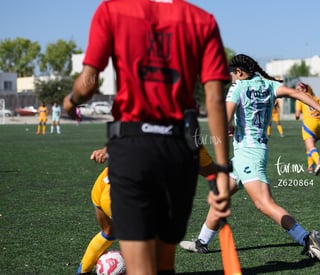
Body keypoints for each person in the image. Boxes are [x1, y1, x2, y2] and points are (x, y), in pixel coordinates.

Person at [63, 1, 231, 274]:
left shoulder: (111, 10)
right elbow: (214, 98)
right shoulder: (202, 20)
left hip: (133, 148)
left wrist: (71, 101)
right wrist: (221, 170)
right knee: (165, 265)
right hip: (179, 149)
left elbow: (89, 82)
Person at [180, 54, 320, 264]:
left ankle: (306, 238)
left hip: (247, 154)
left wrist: (227, 126)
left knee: (264, 204)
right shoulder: (268, 84)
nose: (231, 79)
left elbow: (224, 119)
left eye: (232, 75)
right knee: (221, 194)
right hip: (255, 151)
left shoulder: (238, 87)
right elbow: (295, 93)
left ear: (239, 73)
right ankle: (202, 242)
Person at [77, 145, 219, 275]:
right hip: (123, 195)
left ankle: (82, 271)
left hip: (104, 182)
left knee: (108, 232)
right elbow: (210, 172)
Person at [295, 82, 320, 175]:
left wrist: (297, 115)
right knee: (309, 146)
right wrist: (318, 113)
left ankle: (318, 161)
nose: (296, 91)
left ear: (304, 90)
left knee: (310, 145)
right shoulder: (316, 98)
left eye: (298, 89)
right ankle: (310, 168)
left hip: (310, 122)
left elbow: (297, 115)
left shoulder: (300, 98)